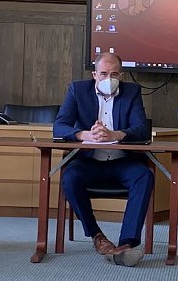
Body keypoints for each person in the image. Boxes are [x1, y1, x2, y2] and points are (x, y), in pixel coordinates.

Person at [52, 52, 154, 267]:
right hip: (89, 162)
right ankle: (97, 236)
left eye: (114, 74)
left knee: (144, 176)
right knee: (70, 178)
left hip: (122, 162)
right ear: (94, 75)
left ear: (121, 76)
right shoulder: (78, 90)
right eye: (104, 74)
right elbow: (59, 126)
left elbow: (142, 129)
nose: (109, 78)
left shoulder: (131, 92)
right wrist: (85, 135)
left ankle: (126, 244)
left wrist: (115, 134)